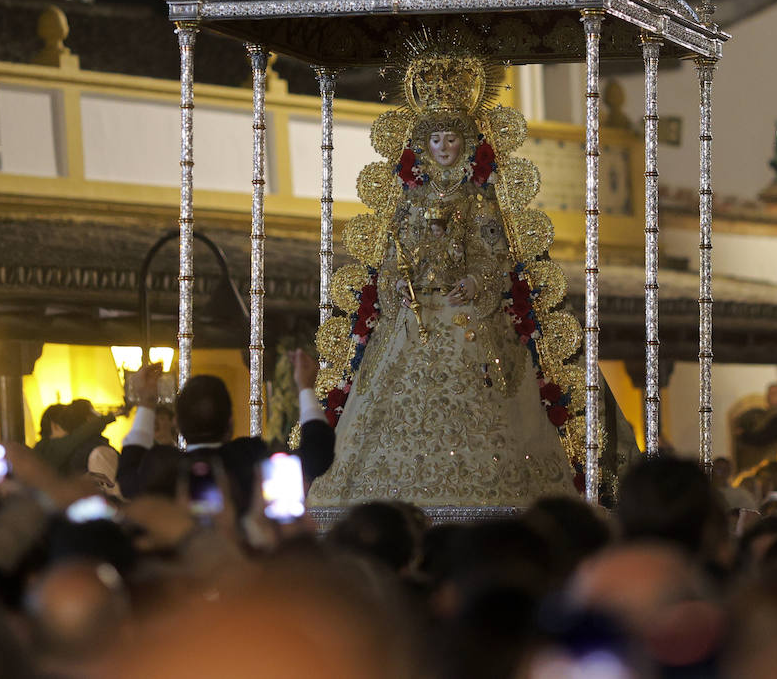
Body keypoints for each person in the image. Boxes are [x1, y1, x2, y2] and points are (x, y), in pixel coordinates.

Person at [307, 45, 623, 508]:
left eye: (452, 140)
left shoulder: (480, 200)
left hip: (469, 314)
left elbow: (496, 255)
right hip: (412, 320)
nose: (444, 148)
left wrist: (476, 282)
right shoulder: (409, 201)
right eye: (435, 140)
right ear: (423, 146)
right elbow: (393, 257)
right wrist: (397, 282)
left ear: (467, 144)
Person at [117, 352, 333, 514]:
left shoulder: (164, 470)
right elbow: (317, 456)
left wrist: (146, 403)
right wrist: (306, 388)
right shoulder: (252, 458)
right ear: (230, 424)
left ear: (177, 425)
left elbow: (127, 476)